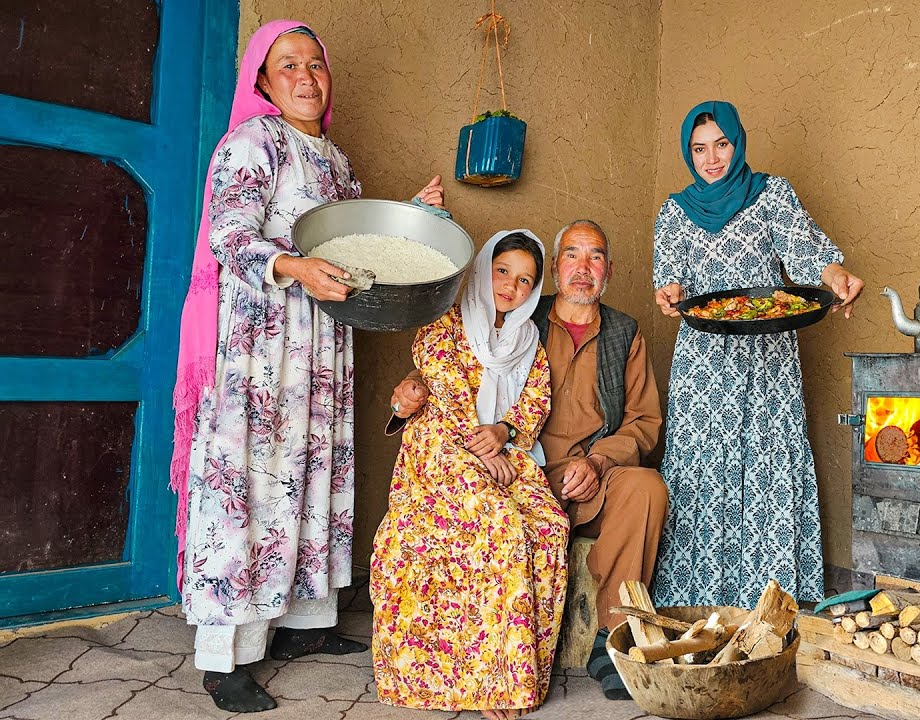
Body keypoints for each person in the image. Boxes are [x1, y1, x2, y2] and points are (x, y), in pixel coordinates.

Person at [168, 20, 445, 713]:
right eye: (287, 64)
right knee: (250, 485)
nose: (304, 77)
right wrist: (295, 268)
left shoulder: (335, 160)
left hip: (322, 347)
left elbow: (353, 246)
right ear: (263, 81)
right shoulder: (252, 142)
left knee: (311, 475)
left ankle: (303, 625)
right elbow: (229, 236)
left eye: (314, 64)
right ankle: (224, 658)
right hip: (264, 349)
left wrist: (414, 216)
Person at [388, 219, 667, 701]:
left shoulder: (624, 332)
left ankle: (614, 637)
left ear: (609, 269)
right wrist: (409, 391)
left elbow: (643, 422)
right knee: (495, 518)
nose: (583, 267)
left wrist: (599, 462)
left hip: (590, 473)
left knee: (646, 488)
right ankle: (493, 658)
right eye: (572, 255)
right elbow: (449, 367)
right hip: (521, 467)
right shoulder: (519, 313)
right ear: (555, 268)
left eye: (596, 256)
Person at [651, 100, 865, 610]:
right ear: (688, 154)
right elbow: (670, 279)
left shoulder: (772, 194)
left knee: (769, 465)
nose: (711, 159)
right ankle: (696, 602)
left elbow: (808, 254)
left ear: (738, 142)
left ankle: (771, 604)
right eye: (699, 149)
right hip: (704, 366)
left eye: (721, 144)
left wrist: (837, 276)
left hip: (769, 359)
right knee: (702, 472)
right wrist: (670, 294)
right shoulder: (674, 212)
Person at [371, 231, 569, 720]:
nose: (511, 286)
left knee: (549, 525)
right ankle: (492, 684)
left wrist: (504, 431)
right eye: (503, 271)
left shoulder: (528, 340)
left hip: (501, 450)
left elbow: (535, 401)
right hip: (441, 450)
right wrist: (483, 448)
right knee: (499, 524)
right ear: (483, 270)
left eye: (525, 280)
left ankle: (519, 670)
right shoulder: (446, 323)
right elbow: (447, 393)